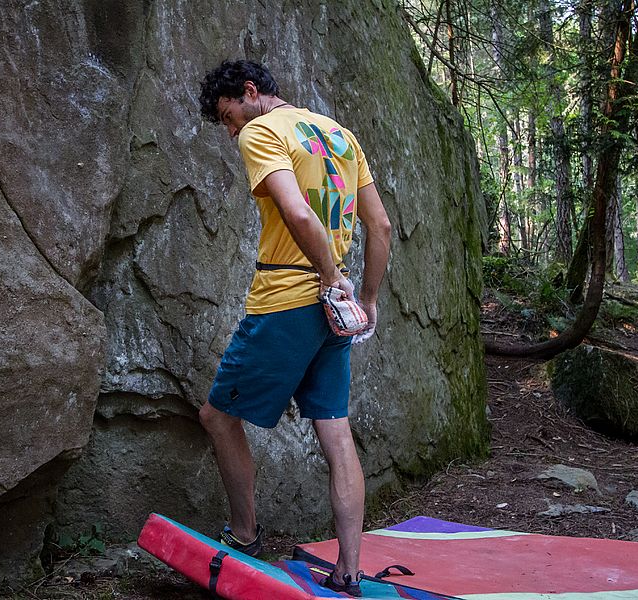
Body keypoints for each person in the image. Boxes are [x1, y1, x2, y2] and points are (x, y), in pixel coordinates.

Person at [197, 59, 392, 597]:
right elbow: (380, 225)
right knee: (335, 430)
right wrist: (365, 297)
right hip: (336, 311)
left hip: (288, 299)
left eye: (227, 114)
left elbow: (300, 214)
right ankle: (349, 571)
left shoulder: (262, 132)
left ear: (251, 92)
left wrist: (330, 279)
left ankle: (244, 535)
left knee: (216, 416)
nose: (230, 129)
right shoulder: (339, 134)